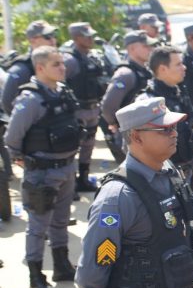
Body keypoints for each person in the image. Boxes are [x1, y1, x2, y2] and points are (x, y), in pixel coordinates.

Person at [75, 97, 193, 288]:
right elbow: (89, 274)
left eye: (174, 127)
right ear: (136, 136)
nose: (174, 134)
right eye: (164, 130)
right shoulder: (118, 196)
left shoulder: (170, 174)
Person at [5, 46, 79, 288]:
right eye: (56, 64)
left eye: (62, 63)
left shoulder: (63, 92)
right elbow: (13, 137)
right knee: (38, 227)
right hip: (42, 173)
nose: (63, 67)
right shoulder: (31, 99)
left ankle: (62, 266)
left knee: (60, 221)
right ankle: (36, 279)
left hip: (67, 167)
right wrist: (20, 158)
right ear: (40, 68)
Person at [137, 46, 193, 200]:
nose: (184, 67)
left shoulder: (178, 91)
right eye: (178, 64)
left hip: (184, 168)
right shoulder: (148, 101)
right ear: (163, 69)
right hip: (163, 173)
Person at [62, 22, 110, 192]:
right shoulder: (69, 60)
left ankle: (83, 179)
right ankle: (70, 184)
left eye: (91, 35)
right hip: (77, 110)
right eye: (86, 36)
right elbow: (60, 84)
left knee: (88, 145)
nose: (90, 38)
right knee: (72, 146)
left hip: (93, 107)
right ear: (75, 38)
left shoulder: (91, 56)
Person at [100, 30, 156, 163]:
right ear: (132, 48)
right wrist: (115, 123)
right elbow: (108, 106)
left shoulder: (146, 70)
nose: (151, 49)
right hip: (132, 134)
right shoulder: (126, 74)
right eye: (145, 46)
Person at [1, 20, 58, 115]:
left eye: (53, 35)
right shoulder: (22, 69)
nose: (53, 40)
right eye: (47, 36)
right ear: (32, 40)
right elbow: (7, 102)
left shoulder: (58, 61)